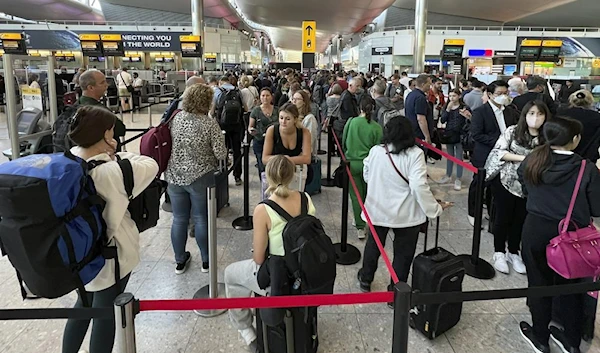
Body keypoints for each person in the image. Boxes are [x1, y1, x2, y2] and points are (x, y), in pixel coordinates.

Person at [62, 105, 158, 353]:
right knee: (106, 317)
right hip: (109, 256)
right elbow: (150, 164)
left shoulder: (70, 159)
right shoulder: (112, 171)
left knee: (83, 305)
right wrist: (117, 154)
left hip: (77, 251)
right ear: (105, 135)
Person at [517, 116, 600, 353]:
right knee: (571, 286)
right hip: (572, 235)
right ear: (575, 140)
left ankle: (540, 336)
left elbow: (525, 189)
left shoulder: (533, 160)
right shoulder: (586, 169)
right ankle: (571, 341)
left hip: (535, 228)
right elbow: (597, 208)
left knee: (538, 283)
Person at [224, 155, 317, 352]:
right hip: (304, 270)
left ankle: (246, 330)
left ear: (268, 177)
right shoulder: (305, 199)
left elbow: (258, 258)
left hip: (277, 275)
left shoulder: (263, 209)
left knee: (230, 274)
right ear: (292, 175)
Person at [357, 117, 446, 296]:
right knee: (403, 255)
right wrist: (434, 209)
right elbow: (418, 186)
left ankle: (366, 279)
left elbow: (367, 173)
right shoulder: (415, 154)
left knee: (373, 246)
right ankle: (396, 292)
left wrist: (380, 184)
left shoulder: (376, 151)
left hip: (378, 209)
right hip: (406, 214)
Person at [165, 84, 228, 275]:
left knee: (179, 218)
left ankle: (179, 260)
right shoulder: (208, 123)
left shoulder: (175, 118)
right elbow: (220, 153)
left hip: (174, 176)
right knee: (201, 219)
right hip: (201, 177)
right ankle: (206, 261)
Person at [485, 100, 549, 275]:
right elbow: (499, 151)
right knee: (502, 217)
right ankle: (499, 252)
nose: (535, 118)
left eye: (540, 114)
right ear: (525, 115)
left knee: (521, 220)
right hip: (506, 181)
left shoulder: (547, 135)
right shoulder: (513, 131)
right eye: (532, 113)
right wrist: (526, 159)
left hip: (532, 185)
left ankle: (514, 252)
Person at [467, 80, 520, 226]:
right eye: (499, 94)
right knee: (479, 185)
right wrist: (500, 142)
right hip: (485, 155)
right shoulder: (480, 112)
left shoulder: (510, 111)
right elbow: (477, 134)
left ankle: (493, 215)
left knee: (497, 186)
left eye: (505, 93)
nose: (503, 96)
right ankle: (473, 213)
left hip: (505, 156)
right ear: (490, 95)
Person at [342, 95, 383, 240]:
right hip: (369, 165)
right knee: (367, 194)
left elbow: (344, 142)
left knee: (355, 195)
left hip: (352, 163)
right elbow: (378, 148)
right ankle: (367, 219)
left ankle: (360, 226)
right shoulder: (377, 128)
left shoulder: (351, 122)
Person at [262, 103, 312, 191]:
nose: (283, 122)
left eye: (288, 119)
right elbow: (265, 158)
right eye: (281, 118)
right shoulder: (272, 130)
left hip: (295, 173)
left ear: (295, 119)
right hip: (276, 174)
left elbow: (307, 158)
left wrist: (283, 159)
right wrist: (289, 159)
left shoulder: (304, 132)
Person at [438, 89, 472, 190]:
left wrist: (468, 116)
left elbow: (471, 120)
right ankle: (448, 175)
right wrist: (447, 110)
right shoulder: (447, 106)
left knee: (459, 158)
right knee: (449, 156)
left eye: (454, 96)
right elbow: (443, 119)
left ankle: (458, 178)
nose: (452, 98)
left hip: (460, 135)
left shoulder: (464, 107)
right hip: (449, 134)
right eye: (450, 96)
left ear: (459, 96)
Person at [213, 76, 244, 186]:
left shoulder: (218, 91)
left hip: (222, 126)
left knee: (223, 150)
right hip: (236, 125)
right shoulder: (237, 91)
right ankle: (237, 176)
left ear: (220, 82)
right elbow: (244, 107)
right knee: (237, 150)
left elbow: (213, 110)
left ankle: (223, 174)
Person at [559, 90, 600, 162]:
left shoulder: (561, 114)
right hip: (588, 159)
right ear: (590, 101)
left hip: (563, 156)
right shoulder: (597, 117)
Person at [248, 87, 278, 173]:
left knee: (273, 166)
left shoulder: (277, 110)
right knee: (262, 166)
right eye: (263, 95)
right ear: (260, 97)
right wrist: (251, 131)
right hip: (260, 141)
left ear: (271, 97)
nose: (265, 98)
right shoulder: (256, 110)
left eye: (267, 95)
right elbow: (250, 126)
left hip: (274, 141)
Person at [404, 74, 433, 144]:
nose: (430, 86)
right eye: (429, 84)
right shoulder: (420, 98)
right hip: (419, 134)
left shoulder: (410, 95)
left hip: (412, 131)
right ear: (423, 84)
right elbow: (421, 119)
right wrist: (427, 136)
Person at [292, 89, 318, 156]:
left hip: (305, 156)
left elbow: (310, 140)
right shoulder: (292, 116)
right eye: (293, 99)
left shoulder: (309, 118)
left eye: (297, 99)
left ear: (304, 102)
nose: (294, 101)